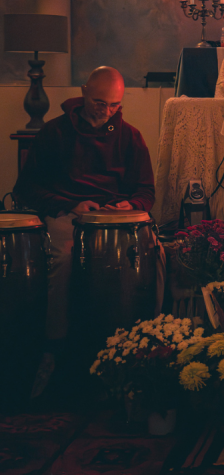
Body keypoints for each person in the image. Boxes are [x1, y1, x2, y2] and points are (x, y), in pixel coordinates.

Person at [14, 67, 155, 394]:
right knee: (64, 258)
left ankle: (146, 345)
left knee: (155, 255)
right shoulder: (54, 132)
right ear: (83, 91)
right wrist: (70, 205)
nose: (106, 111)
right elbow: (26, 188)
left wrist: (131, 204)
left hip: (116, 218)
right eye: (99, 103)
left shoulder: (130, 136)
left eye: (114, 105)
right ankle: (54, 348)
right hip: (69, 213)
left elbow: (146, 191)